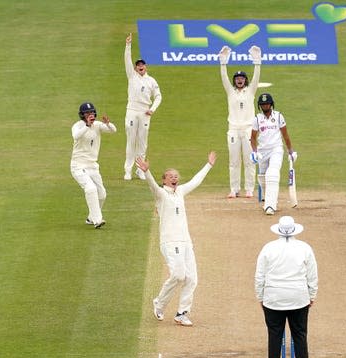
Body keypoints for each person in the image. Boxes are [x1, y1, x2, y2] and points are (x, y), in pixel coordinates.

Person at [135, 151, 217, 327]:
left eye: (176, 176)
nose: (174, 178)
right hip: (170, 242)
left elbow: (196, 181)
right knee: (179, 275)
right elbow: (153, 187)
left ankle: (182, 313)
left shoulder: (180, 191)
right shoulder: (161, 194)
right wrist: (147, 172)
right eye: (170, 176)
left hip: (186, 241)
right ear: (164, 180)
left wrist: (208, 165)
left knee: (192, 279)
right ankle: (159, 303)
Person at [255, 216, 318, 358]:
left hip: (274, 297)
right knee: (300, 333)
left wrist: (260, 296)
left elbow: (259, 275)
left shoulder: (268, 248)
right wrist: (312, 294)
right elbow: (312, 275)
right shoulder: (304, 247)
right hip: (298, 296)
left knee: (274, 333)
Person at [218, 45, 261, 199]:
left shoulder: (251, 90)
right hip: (233, 129)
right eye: (237, 79)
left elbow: (256, 78)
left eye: (242, 78)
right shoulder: (230, 91)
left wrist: (257, 61)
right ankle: (234, 189)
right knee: (234, 161)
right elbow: (223, 78)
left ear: (245, 80)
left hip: (249, 129)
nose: (239, 80)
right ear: (234, 81)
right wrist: (223, 62)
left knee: (250, 160)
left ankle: (249, 188)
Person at [70, 102, 117, 229]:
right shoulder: (78, 126)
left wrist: (107, 123)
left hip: (92, 166)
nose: (90, 115)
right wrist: (87, 125)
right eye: (87, 113)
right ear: (82, 115)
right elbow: (76, 136)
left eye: (92, 112)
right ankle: (97, 220)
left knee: (102, 194)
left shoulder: (97, 125)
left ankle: (91, 218)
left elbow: (113, 130)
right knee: (90, 189)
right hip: (78, 166)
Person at [124, 33, 162, 181]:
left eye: (142, 65)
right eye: (138, 66)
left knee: (142, 142)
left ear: (145, 67)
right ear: (135, 68)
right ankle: (128, 170)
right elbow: (127, 61)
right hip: (132, 110)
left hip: (145, 112)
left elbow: (159, 96)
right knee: (131, 141)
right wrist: (128, 46)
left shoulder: (151, 81)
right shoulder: (131, 76)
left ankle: (140, 170)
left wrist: (152, 109)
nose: (140, 67)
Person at [250, 93, 296, 215]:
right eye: (263, 104)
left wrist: (290, 151)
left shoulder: (279, 116)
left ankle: (270, 205)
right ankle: (269, 200)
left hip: (276, 149)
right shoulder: (257, 119)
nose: (265, 106)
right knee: (263, 177)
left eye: (267, 103)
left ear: (271, 104)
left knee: (273, 173)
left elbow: (285, 135)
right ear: (260, 106)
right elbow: (253, 138)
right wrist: (254, 152)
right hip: (262, 151)